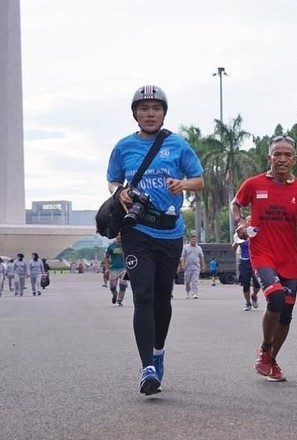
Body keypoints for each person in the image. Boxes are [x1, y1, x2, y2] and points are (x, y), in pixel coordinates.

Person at [107, 84, 204, 395]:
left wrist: (183, 183)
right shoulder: (123, 147)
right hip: (137, 232)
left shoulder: (177, 145)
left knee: (163, 299)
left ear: (164, 112)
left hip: (171, 232)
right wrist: (118, 191)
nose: (150, 113)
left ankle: (158, 352)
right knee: (143, 296)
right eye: (144, 108)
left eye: (156, 108)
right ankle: (147, 366)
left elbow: (199, 180)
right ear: (135, 114)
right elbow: (113, 179)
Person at [231, 134, 297, 382]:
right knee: (276, 299)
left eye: (287, 155)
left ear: (294, 160)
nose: (281, 159)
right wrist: (240, 222)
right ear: (269, 157)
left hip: (288, 257)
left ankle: (272, 359)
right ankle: (265, 348)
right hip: (262, 253)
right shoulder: (253, 184)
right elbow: (236, 204)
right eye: (277, 154)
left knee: (286, 314)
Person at [232, 234, 260, 311]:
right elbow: (233, 248)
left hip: (255, 261)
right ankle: (248, 303)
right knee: (246, 283)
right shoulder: (240, 236)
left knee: (257, 283)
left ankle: (254, 295)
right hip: (244, 262)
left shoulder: (253, 234)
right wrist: (237, 242)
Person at [179, 235, 205, 299]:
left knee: (194, 281)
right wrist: (182, 265)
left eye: (195, 239)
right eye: (193, 239)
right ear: (190, 240)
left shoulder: (199, 248)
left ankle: (195, 293)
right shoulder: (186, 247)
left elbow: (201, 257)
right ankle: (187, 292)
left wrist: (203, 266)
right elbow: (183, 257)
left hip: (196, 267)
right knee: (187, 281)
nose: (194, 241)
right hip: (187, 267)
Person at [106, 234, 128, 306]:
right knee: (112, 287)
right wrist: (107, 268)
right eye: (118, 235)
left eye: (121, 235)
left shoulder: (126, 245)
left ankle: (120, 300)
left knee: (122, 284)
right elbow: (106, 257)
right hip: (113, 269)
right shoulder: (111, 246)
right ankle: (115, 295)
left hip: (124, 268)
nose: (119, 237)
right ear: (115, 236)